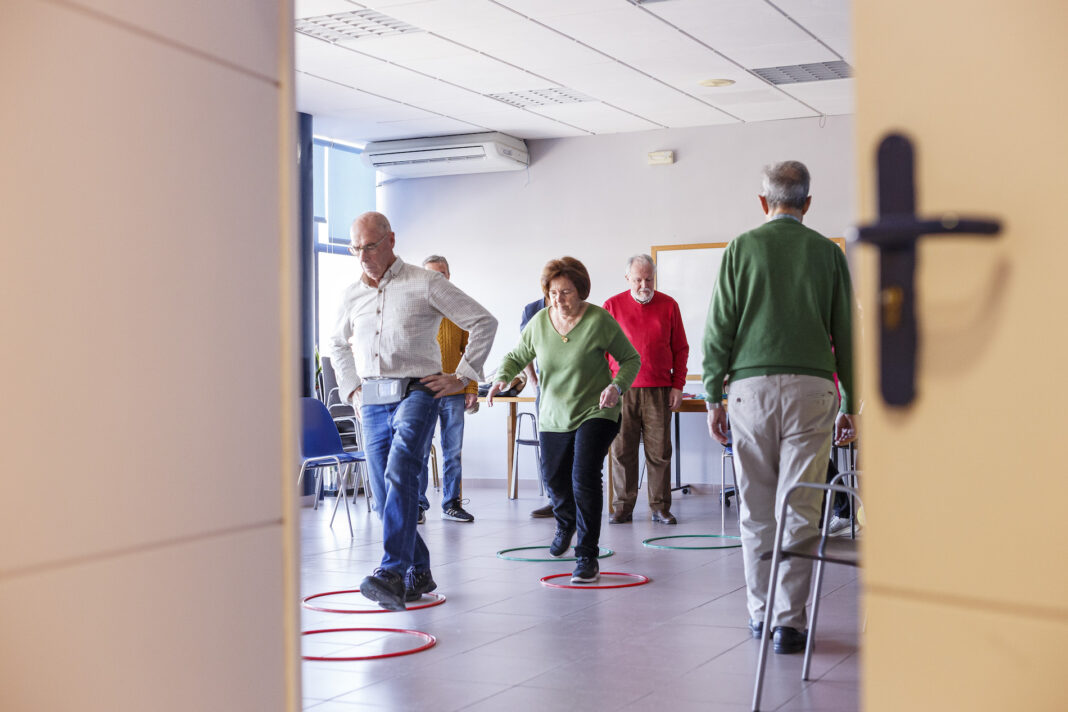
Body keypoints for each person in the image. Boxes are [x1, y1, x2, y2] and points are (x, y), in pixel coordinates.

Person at [703, 161, 857, 654]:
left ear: (763, 201)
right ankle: (789, 624)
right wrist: (852, 401)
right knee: (801, 509)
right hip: (814, 391)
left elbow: (718, 327)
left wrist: (712, 395)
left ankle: (760, 615)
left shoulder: (740, 248)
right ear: (807, 203)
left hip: (750, 391)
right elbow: (846, 332)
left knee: (756, 509)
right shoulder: (827, 253)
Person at [329, 212, 497, 610]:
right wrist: (352, 388)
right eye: (356, 249)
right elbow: (336, 343)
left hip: (419, 390)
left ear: (390, 240)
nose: (363, 256)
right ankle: (419, 571)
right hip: (371, 397)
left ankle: (391, 571)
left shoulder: (425, 283)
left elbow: (483, 322)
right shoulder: (351, 295)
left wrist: (462, 376)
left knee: (402, 468)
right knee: (384, 493)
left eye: (370, 247)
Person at [489, 257, 640, 584]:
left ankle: (587, 556)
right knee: (555, 479)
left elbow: (630, 359)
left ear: (581, 290)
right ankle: (565, 522)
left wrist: (616, 386)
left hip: (597, 410)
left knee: (584, 475)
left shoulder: (599, 320)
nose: (558, 299)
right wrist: (502, 378)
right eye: (553, 293)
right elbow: (516, 356)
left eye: (566, 292)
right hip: (554, 414)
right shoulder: (539, 322)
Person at [603, 254, 689, 525]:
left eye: (649, 279)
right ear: (627, 278)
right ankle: (622, 507)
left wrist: (678, 385)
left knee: (659, 452)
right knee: (621, 451)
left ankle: (660, 507)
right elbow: (600, 351)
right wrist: (606, 387)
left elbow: (681, 349)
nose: (644, 285)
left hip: (659, 390)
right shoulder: (611, 306)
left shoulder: (669, 305)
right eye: (638, 279)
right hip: (622, 390)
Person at [416, 255, 478, 524]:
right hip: (423, 394)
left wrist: (471, 386)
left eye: (441, 273)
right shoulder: (415, 307)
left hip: (454, 393)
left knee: (452, 452)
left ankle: (451, 504)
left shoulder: (460, 308)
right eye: (430, 273)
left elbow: (471, 351)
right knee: (419, 451)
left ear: (448, 276)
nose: (436, 278)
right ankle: (418, 505)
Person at [520, 295, 553, 519]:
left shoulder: (582, 308)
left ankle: (577, 498)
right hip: (547, 388)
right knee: (548, 443)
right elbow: (524, 349)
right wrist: (533, 380)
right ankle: (555, 499)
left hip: (578, 386)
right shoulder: (532, 310)